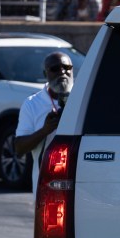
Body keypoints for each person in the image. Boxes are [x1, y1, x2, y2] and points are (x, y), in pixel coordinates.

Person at [14, 52, 74, 191]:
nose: (62, 72)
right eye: (55, 69)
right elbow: (19, 148)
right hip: (47, 187)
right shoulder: (32, 104)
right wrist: (44, 130)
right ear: (45, 73)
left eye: (67, 67)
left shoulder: (84, 98)